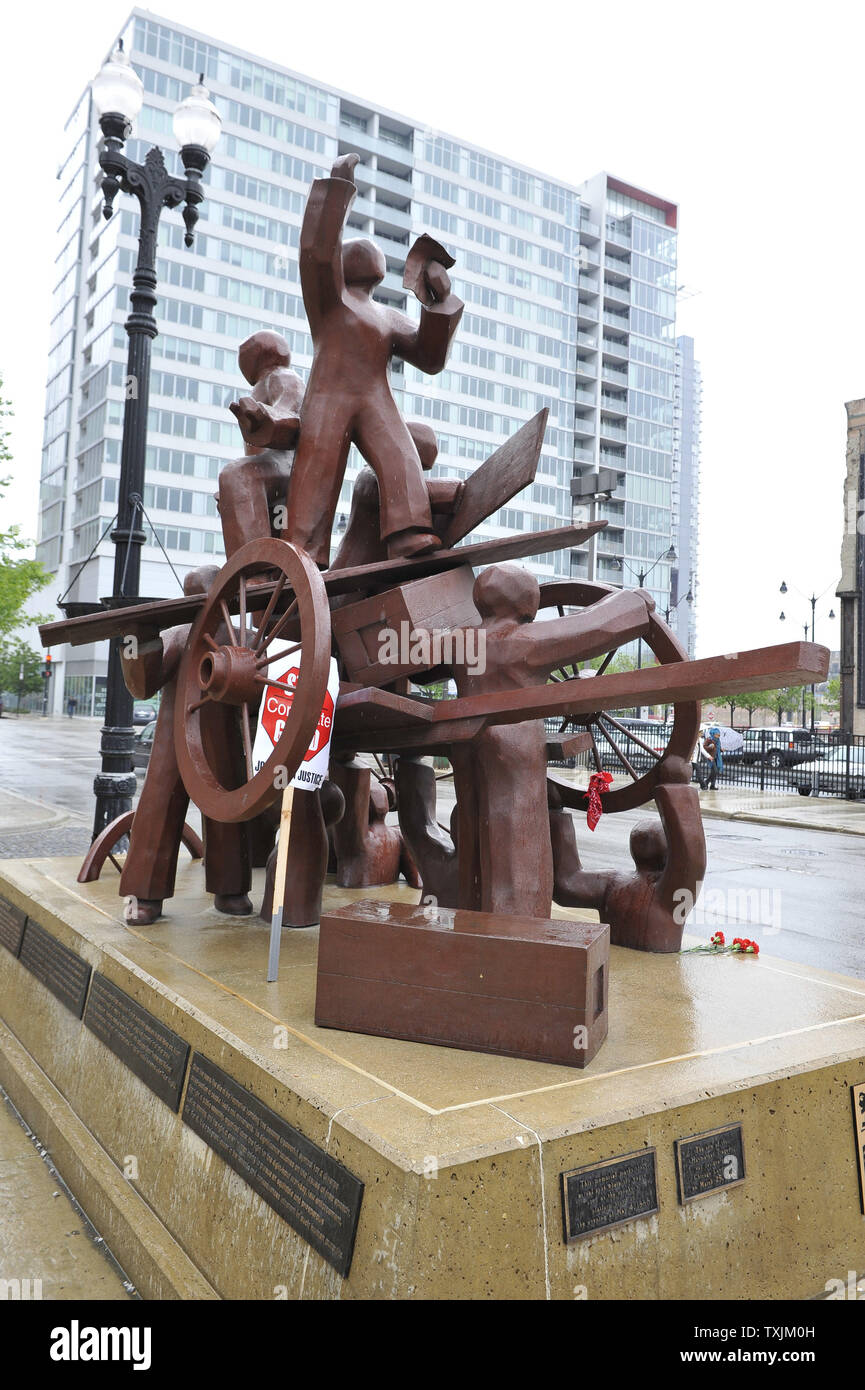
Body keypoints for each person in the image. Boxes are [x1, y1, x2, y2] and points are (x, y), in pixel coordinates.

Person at [283, 153, 464, 566]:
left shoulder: (387, 316)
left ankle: (407, 531)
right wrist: (338, 189)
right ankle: (303, 555)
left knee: (399, 454)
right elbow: (317, 252)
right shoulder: (331, 299)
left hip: (374, 397)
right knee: (317, 472)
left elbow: (429, 355)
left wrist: (437, 297)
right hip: (328, 398)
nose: (370, 254)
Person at [549, 757, 707, 953]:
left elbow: (566, 884)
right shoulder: (668, 891)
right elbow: (692, 856)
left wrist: (554, 813)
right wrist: (676, 788)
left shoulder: (614, 883)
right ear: (668, 852)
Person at [702, 725, 723, 790]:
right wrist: (710, 747)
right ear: (713, 734)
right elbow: (704, 747)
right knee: (715, 770)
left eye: (719, 735)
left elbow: (718, 749)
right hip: (710, 757)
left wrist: (721, 750)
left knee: (714, 771)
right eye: (717, 735)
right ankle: (706, 782)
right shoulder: (709, 739)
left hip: (717, 757)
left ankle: (712, 785)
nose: (718, 736)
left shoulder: (718, 741)